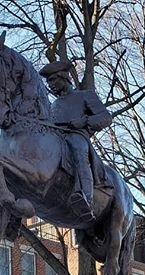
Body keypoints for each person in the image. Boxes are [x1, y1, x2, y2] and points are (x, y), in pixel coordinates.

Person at [39, 60, 112, 219]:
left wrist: (84, 121)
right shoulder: (52, 106)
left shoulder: (85, 96)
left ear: (64, 77)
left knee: (78, 148)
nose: (50, 85)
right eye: (48, 81)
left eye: (52, 80)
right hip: (56, 138)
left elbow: (106, 117)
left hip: (76, 136)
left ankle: (86, 198)